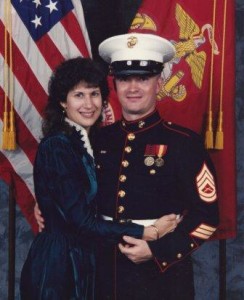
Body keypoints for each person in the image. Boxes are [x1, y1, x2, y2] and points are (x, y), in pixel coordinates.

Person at [20, 57, 179, 300]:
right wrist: (148, 232)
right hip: (60, 266)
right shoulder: (57, 147)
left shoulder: (86, 142)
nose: (89, 104)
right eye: (79, 95)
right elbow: (82, 222)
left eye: (94, 94)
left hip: (84, 257)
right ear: (63, 101)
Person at [93, 33, 219, 299]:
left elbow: (207, 215)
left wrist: (157, 251)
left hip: (163, 276)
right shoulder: (97, 140)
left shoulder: (184, 143)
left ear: (159, 82)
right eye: (125, 79)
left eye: (143, 78)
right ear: (114, 85)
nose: (133, 87)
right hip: (103, 270)